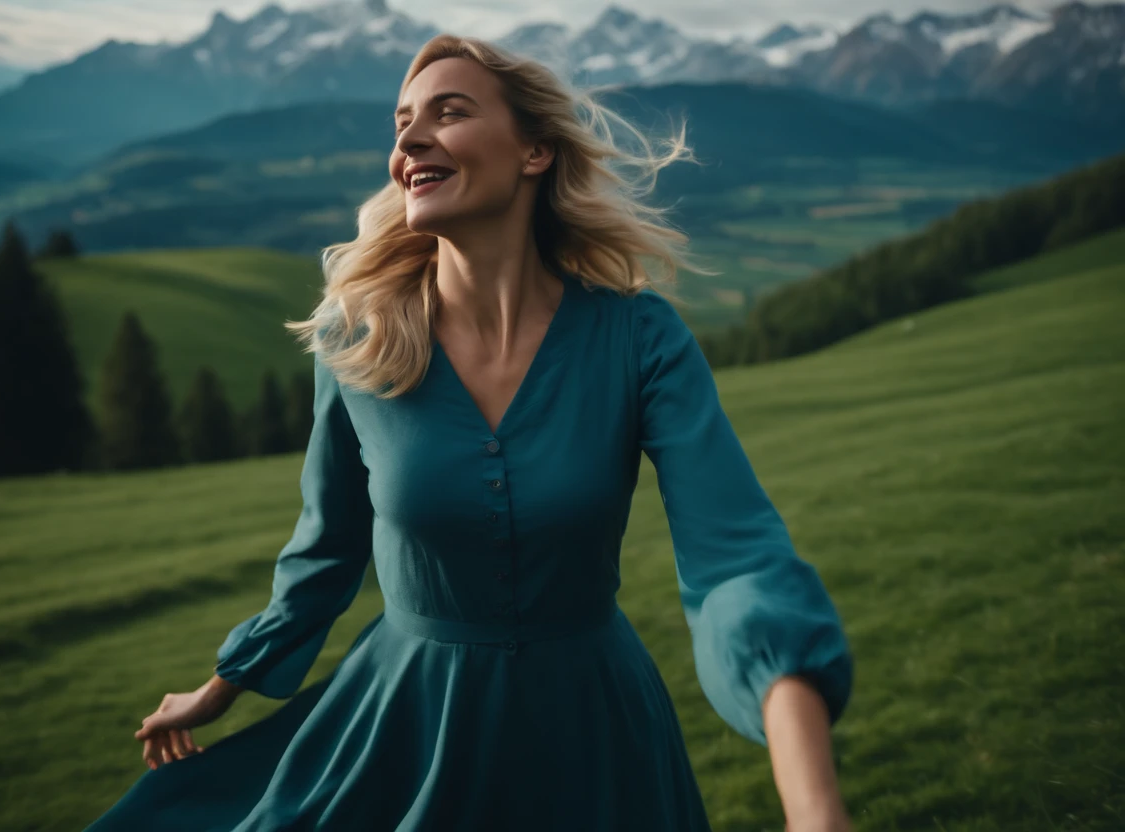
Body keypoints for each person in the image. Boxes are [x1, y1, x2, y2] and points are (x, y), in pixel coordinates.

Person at [86, 34, 855, 832]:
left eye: (448, 113)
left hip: (594, 739)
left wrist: (814, 809)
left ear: (533, 151)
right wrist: (227, 681)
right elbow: (325, 551)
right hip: (407, 728)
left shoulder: (640, 339)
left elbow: (737, 564)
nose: (409, 140)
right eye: (401, 124)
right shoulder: (356, 341)